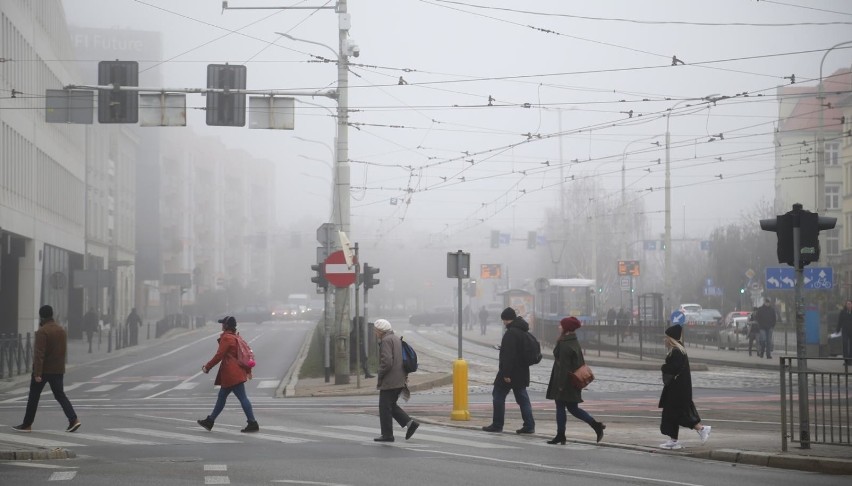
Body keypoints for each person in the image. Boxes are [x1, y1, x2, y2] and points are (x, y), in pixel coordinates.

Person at [12, 305, 81, 433]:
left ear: (41, 316)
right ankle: (74, 419)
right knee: (60, 395)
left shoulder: (43, 331)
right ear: (52, 315)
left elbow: (39, 353)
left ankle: (27, 425)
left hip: (44, 371)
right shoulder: (61, 330)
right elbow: (62, 351)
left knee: (33, 397)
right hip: (58, 370)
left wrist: (37, 373)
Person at [545, 316, 605, 444]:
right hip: (572, 381)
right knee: (573, 408)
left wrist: (560, 385)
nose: (559, 326)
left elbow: (564, 367)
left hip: (565, 382)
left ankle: (561, 435)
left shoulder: (565, 344)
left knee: (561, 407)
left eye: (561, 325)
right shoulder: (573, 341)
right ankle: (596, 426)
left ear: (566, 328)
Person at [197, 316, 259, 433]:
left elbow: (219, 355)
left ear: (226, 325)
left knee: (242, 398)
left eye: (222, 324)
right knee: (222, 397)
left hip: (231, 374)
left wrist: (207, 367)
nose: (221, 326)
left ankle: (252, 422)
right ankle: (210, 421)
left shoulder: (227, 338)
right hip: (236, 372)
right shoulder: (236, 337)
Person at [482, 307, 535, 434]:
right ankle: (529, 425)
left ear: (506, 319)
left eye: (503, 320)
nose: (503, 323)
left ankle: (497, 424)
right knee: (523, 399)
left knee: (498, 396)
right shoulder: (523, 331)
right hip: (522, 371)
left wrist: (506, 373)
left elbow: (509, 355)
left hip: (510, 373)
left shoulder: (511, 333)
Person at [658, 325, 711, 449]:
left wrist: (663, 367)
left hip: (677, 390)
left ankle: (701, 429)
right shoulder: (678, 351)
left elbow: (673, 369)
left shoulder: (676, 352)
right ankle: (673, 440)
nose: (664, 340)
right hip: (678, 389)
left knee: (678, 415)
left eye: (666, 338)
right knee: (672, 414)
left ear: (671, 339)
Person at [373, 318, 419, 442]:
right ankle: (410, 424)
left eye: (375, 330)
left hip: (390, 380)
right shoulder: (395, 338)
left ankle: (387, 435)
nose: (375, 333)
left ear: (380, 331)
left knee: (384, 407)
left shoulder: (386, 341)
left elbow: (387, 362)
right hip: (399, 378)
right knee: (390, 405)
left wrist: (380, 373)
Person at [835, 299, 852, 366]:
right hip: (845, 330)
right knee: (845, 344)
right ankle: (846, 360)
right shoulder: (842, 312)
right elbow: (840, 321)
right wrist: (838, 329)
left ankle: (850, 360)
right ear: (846, 305)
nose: (849, 305)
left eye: (850, 304)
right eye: (847, 304)